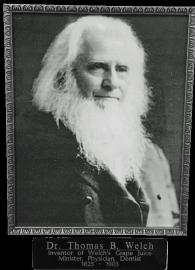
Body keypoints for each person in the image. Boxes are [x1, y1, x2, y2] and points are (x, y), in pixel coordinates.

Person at [16, 16, 179, 227]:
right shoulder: (30, 150)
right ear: (64, 76)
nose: (112, 83)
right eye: (97, 67)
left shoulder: (153, 157)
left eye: (122, 69)